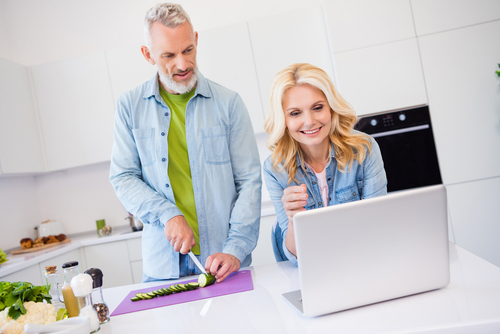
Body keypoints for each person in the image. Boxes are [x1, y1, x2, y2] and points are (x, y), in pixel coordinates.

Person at [109, 3, 261, 283]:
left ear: (196, 40)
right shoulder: (129, 107)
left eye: (188, 50)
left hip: (225, 264)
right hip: (162, 270)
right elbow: (122, 177)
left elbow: (249, 183)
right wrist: (167, 214)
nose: (182, 64)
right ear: (148, 54)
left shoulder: (229, 104)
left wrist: (236, 249)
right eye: (169, 55)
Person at [263, 63, 387, 264]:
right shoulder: (276, 169)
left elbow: (378, 227)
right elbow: (295, 258)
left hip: (362, 260)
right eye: (295, 113)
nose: (309, 121)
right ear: (283, 120)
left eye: (317, 108)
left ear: (331, 108)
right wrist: (294, 220)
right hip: (313, 268)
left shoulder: (364, 149)